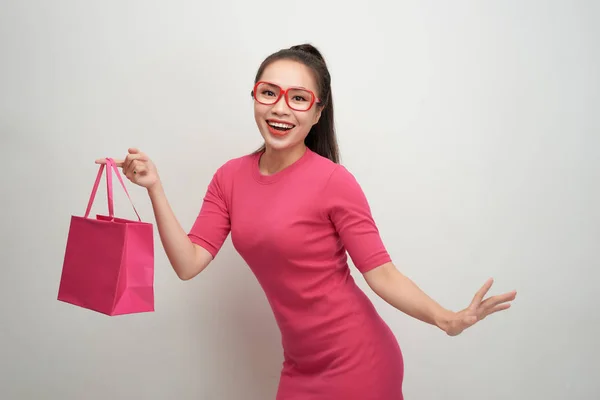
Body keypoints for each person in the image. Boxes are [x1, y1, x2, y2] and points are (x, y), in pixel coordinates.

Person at [98, 44, 516, 399]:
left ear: (317, 113)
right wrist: (154, 187)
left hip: (360, 364)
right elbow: (188, 263)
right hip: (299, 368)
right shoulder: (229, 177)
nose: (280, 107)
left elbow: (382, 274)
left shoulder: (334, 182)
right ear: (255, 97)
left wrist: (446, 319)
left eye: (298, 98)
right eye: (269, 93)